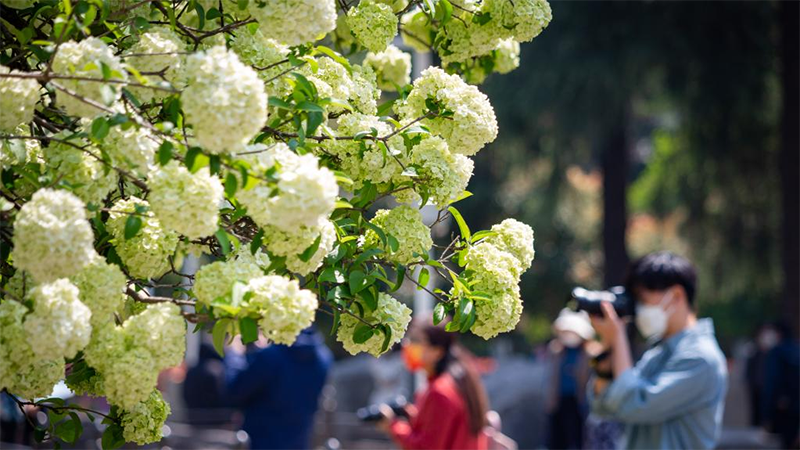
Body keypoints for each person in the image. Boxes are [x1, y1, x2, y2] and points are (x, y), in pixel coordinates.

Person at [588, 252, 728, 450]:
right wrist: (608, 347)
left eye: (642, 299)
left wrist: (618, 336)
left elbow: (633, 405)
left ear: (676, 296)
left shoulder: (700, 358)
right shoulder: (657, 351)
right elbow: (603, 407)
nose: (637, 309)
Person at [377, 321, 490, 450]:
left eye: (416, 341)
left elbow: (425, 447)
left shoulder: (439, 392)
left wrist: (393, 425)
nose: (407, 345)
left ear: (437, 351)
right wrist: (413, 415)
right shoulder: (454, 382)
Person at [225, 326, 333, 450]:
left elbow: (234, 391)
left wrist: (234, 354)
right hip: (299, 443)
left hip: (260, 443)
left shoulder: (271, 356)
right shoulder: (324, 357)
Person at [545, 308, 594, 450]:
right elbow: (551, 377)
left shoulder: (589, 353)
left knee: (578, 439)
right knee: (557, 440)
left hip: (579, 402)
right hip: (559, 400)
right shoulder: (556, 351)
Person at [762, 321, 800, 450]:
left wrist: (766, 413)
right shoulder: (797, 349)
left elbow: (772, 381)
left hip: (782, 407)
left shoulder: (777, 352)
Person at [746, 323, 780, 427]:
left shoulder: (775, 352)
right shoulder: (754, 349)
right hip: (756, 383)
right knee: (755, 407)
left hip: (768, 384)